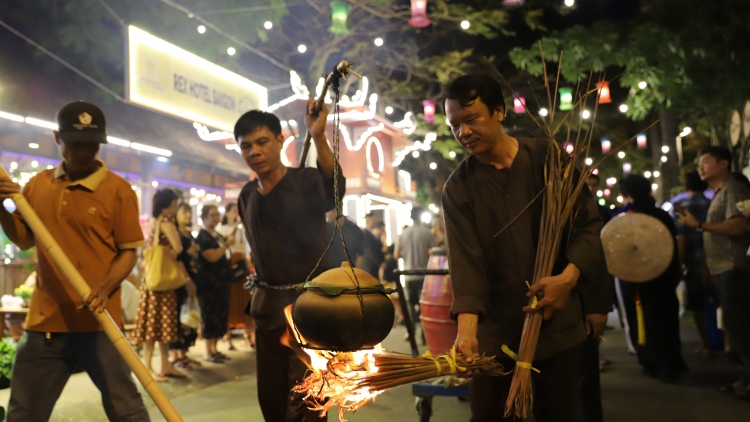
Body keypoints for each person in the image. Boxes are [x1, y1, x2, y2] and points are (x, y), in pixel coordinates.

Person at [441, 74, 611, 422]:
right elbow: (466, 266)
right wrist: (467, 334)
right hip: (496, 336)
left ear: (500, 112)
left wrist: (567, 278)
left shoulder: (548, 159)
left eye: (471, 120)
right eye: (454, 125)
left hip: (558, 329)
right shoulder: (458, 189)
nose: (463, 133)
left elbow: (589, 227)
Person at [0, 101, 150, 421]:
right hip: (45, 324)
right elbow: (26, 239)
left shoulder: (118, 190)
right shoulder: (38, 185)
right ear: (57, 138)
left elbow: (128, 253)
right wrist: (1, 205)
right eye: (75, 142)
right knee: (23, 412)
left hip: (100, 325)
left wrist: (105, 285)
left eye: (92, 143)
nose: (84, 151)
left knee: (128, 410)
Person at [235, 102, 343, 421]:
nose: (254, 151)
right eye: (246, 146)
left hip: (309, 308)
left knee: (308, 399)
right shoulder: (245, 196)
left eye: (262, 141)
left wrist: (318, 136)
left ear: (280, 141)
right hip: (267, 308)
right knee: (270, 398)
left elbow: (333, 189)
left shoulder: (306, 181)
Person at [677, 146, 750, 399]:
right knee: (735, 321)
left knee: (738, 322)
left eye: (706, 161)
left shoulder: (734, 188)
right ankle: (746, 377)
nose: (701, 167)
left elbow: (738, 226)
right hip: (721, 266)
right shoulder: (718, 192)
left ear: (724, 164)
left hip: (734, 265)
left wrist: (697, 224)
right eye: (700, 162)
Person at [619, 175, 686, 381]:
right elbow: (672, 246)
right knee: (666, 319)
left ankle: (652, 362)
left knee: (644, 320)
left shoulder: (627, 217)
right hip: (664, 277)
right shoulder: (662, 215)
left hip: (638, 278)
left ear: (628, 194)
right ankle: (671, 363)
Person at [131, 189, 189, 381]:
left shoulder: (152, 223)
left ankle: (161, 365)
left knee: (152, 324)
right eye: (174, 203)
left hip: (151, 280)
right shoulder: (165, 222)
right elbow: (178, 247)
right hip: (162, 282)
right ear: (170, 204)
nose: (176, 207)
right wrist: (172, 252)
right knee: (161, 324)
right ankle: (149, 367)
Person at [672, 171, 712, 355]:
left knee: (697, 307)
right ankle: (728, 344)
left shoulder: (681, 207)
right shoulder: (712, 204)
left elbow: (681, 239)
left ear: (687, 187)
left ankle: (706, 343)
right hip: (716, 262)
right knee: (718, 304)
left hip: (694, 266)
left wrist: (679, 265)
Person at [196, 204, 234, 363]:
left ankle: (215, 349)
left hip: (221, 283)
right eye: (212, 215)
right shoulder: (202, 236)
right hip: (209, 284)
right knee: (209, 315)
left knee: (220, 314)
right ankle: (208, 350)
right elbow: (211, 256)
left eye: (217, 214)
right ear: (204, 217)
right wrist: (226, 245)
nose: (216, 218)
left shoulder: (217, 235)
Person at [217, 203, 254, 350]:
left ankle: (247, 333)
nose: (236, 214)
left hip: (242, 265)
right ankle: (227, 337)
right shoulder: (222, 229)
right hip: (229, 265)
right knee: (230, 301)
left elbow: (245, 248)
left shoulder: (241, 229)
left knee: (244, 301)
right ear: (226, 213)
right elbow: (224, 245)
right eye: (233, 211)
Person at [170, 202, 201, 369]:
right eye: (184, 213)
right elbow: (178, 259)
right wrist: (187, 280)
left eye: (189, 213)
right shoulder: (176, 235)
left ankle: (183, 353)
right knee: (178, 316)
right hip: (181, 280)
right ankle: (175, 355)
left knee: (188, 317)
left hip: (192, 278)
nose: (188, 216)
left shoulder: (188, 234)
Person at [395, 207, 436, 330]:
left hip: (408, 274)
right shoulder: (427, 233)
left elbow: (396, 255)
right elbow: (433, 252)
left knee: (410, 304)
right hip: (424, 274)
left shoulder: (403, 234)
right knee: (423, 304)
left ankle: (411, 331)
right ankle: (425, 333)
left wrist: (406, 255)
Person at [362, 213, 385, 279]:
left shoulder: (371, 233)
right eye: (373, 220)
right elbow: (370, 251)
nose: (375, 222)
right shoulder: (366, 234)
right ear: (368, 221)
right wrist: (379, 262)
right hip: (370, 267)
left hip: (372, 266)